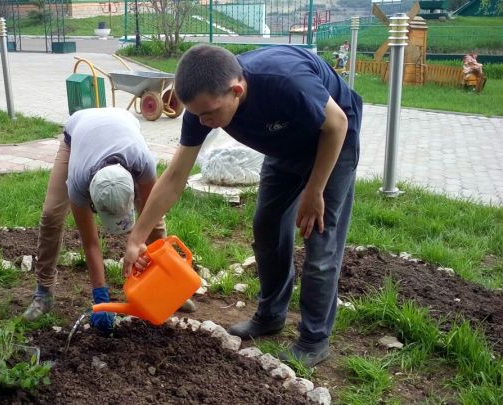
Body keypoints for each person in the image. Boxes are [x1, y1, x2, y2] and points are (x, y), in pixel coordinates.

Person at [123, 44, 362, 367]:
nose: (204, 122)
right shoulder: (202, 107)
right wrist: (138, 236)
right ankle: (271, 314)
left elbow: (335, 124)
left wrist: (315, 189)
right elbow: (176, 176)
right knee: (267, 226)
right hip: (283, 147)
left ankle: (314, 339)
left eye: (210, 114)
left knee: (319, 239)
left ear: (237, 90)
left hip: (332, 139)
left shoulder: (284, 82)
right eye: (198, 115)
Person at [22, 107, 194, 333]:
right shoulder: (78, 182)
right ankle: (44, 293)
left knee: (155, 220)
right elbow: (91, 242)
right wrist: (100, 296)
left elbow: (151, 213)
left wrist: (140, 242)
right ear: (92, 200)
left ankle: (169, 287)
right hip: (78, 135)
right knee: (51, 214)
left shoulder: (143, 163)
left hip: (122, 126)